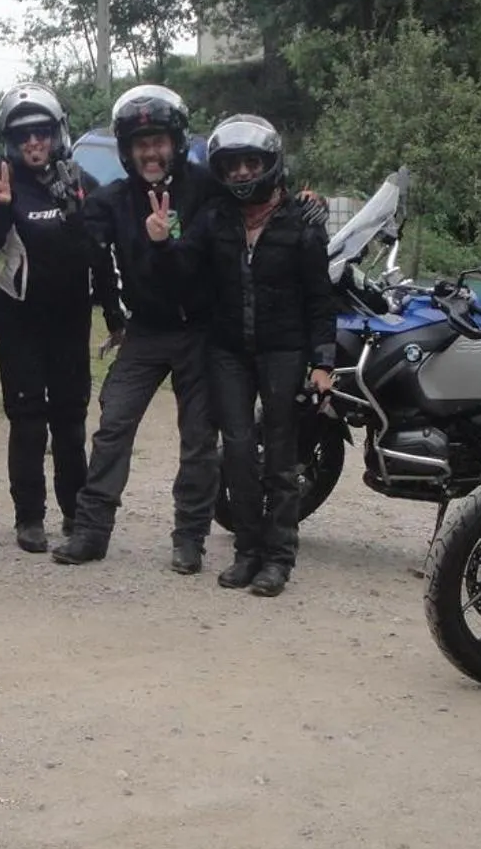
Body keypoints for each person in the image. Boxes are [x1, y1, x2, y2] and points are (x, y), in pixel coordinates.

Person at [162, 115, 336, 597]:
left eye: (251, 162)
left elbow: (321, 299)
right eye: (233, 165)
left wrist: (323, 362)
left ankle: (278, 558)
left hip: (285, 350)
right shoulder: (214, 218)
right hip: (228, 351)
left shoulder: (303, 223)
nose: (242, 172)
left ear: (270, 163)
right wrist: (161, 241)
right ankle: (246, 551)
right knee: (237, 453)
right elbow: (182, 268)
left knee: (282, 457)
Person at [51, 84, 221, 574]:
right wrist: (68, 216)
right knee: (113, 424)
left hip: (200, 330)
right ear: (126, 151)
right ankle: (91, 531)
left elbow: (258, 195)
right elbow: (87, 245)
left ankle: (189, 539)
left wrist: (302, 197)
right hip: (146, 329)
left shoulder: (206, 187)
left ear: (176, 141)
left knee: (198, 439)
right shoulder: (114, 200)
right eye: (140, 144)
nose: (151, 151)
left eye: (159, 141)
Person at [0, 83, 111, 551]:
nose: (34, 142)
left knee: (70, 421)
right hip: (20, 321)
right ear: (11, 140)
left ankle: (76, 512)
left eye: (42, 133)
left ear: (57, 134)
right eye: (24, 134)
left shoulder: (81, 183)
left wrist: (116, 317)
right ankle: (28, 517)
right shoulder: (3, 184)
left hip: (70, 320)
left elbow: (102, 256)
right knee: (27, 420)